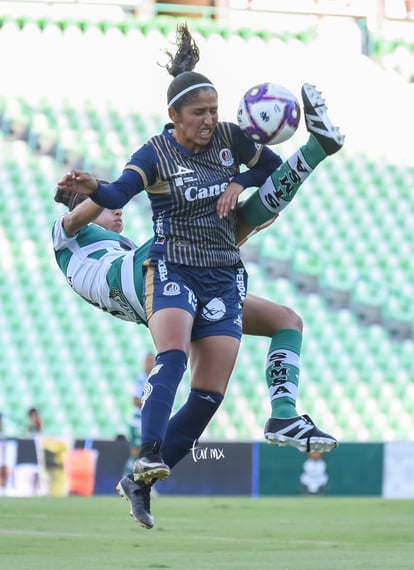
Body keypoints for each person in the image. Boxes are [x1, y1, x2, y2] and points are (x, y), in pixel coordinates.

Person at [55, 23, 344, 529]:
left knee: (223, 380)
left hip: (211, 269)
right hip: (155, 266)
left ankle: (267, 422)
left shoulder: (228, 139)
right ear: (174, 117)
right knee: (176, 345)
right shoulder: (77, 228)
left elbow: (265, 165)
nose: (212, 120)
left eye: (215, 110)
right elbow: (113, 198)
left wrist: (234, 178)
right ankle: (149, 452)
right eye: (201, 112)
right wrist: (93, 191)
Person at [124, 352, 156, 475]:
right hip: (138, 422)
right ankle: (127, 477)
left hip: (149, 422)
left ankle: (141, 481)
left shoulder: (156, 379)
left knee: (147, 454)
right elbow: (135, 400)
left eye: (153, 361)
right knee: (136, 453)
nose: (150, 364)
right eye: (148, 361)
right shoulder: (140, 379)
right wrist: (153, 403)